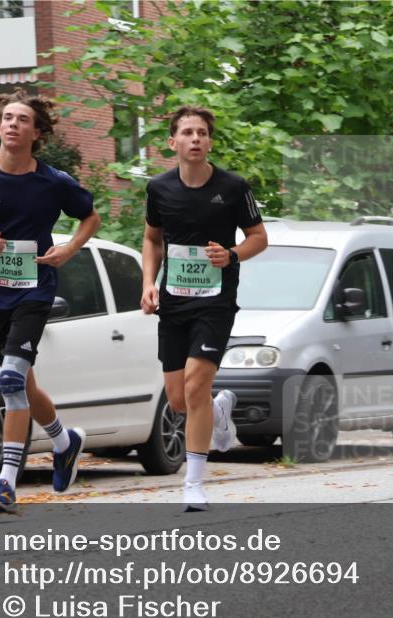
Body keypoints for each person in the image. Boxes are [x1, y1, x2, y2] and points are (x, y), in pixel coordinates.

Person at [0, 89, 101, 512]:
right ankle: (65, 442)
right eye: (6, 117)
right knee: (23, 383)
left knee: (10, 380)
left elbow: (90, 217)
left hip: (35, 290)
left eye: (22, 119)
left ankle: (6, 483)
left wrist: (68, 249)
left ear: (36, 132)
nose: (12, 124)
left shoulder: (53, 182)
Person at [141, 105, 268, 511]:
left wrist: (231, 255)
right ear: (172, 142)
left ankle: (193, 482)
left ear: (209, 141)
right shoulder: (159, 188)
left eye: (202, 133)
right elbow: (152, 239)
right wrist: (147, 283)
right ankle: (219, 410)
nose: (196, 139)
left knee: (196, 384)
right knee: (180, 400)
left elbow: (258, 237)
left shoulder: (232, 187)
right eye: (188, 132)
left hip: (215, 302)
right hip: (174, 301)